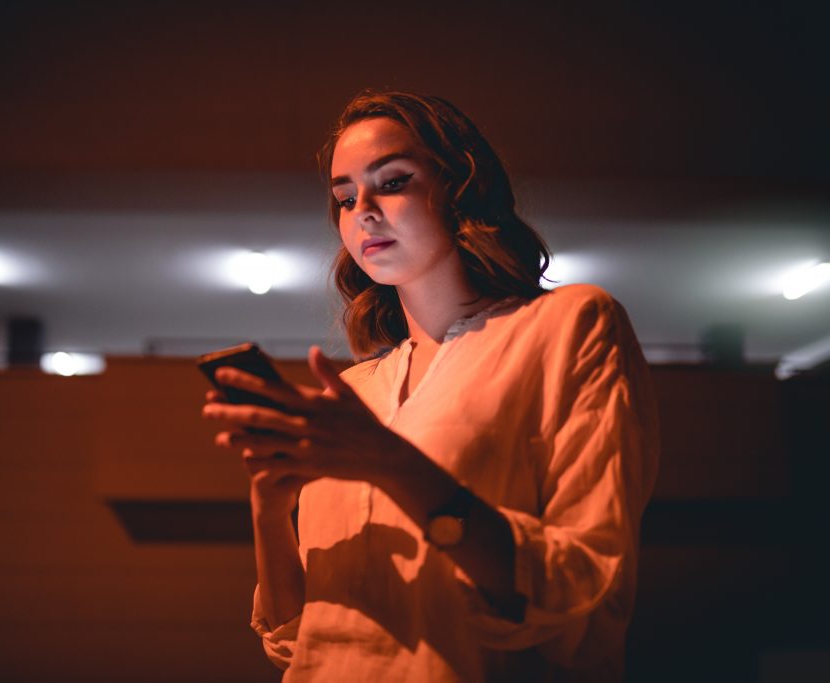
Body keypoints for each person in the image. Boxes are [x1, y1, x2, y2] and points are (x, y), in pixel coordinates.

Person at [201, 89, 659, 682]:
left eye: (391, 182)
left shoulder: (569, 326)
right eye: (344, 197)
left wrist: (392, 464)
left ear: (460, 187)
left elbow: (582, 589)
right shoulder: (355, 392)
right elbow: (296, 644)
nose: (362, 210)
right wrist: (269, 504)